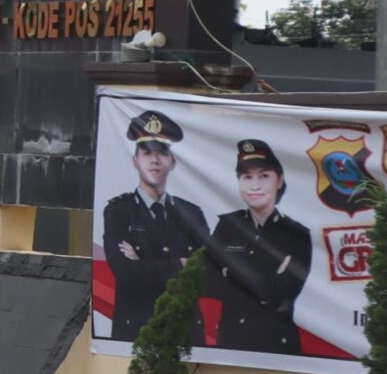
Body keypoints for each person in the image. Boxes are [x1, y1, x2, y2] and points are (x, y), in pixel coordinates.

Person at [100, 108, 207, 339]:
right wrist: (180, 263)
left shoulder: (191, 213)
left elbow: (205, 274)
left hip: (185, 331)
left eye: (161, 152)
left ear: (173, 162)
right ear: (135, 161)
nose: (154, 159)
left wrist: (143, 263)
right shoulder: (119, 212)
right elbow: (125, 273)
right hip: (137, 331)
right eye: (147, 152)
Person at [204, 138, 311, 354]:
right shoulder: (227, 226)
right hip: (231, 341)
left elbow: (281, 292)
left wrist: (230, 272)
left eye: (264, 176)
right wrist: (263, 278)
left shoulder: (296, 234)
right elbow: (206, 283)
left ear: (279, 180)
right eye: (247, 177)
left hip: (276, 344)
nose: (254, 185)